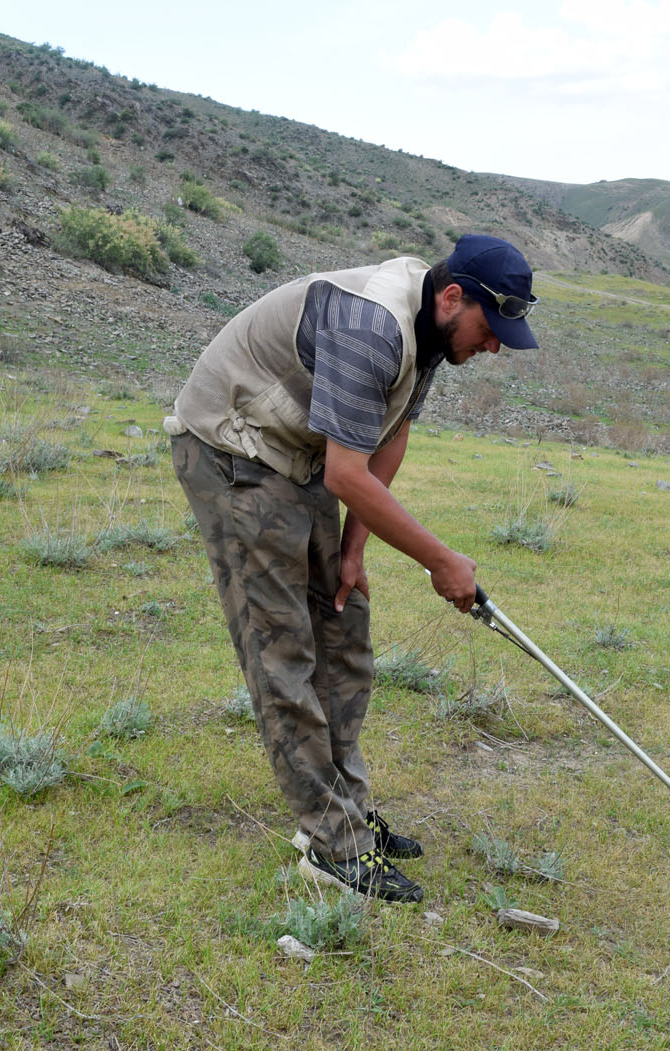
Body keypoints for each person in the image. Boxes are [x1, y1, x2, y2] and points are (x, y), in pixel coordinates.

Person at [166, 234, 539, 903]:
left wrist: (356, 547)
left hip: (296, 454)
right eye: (491, 329)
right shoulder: (375, 326)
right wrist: (441, 561)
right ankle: (331, 846)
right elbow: (346, 470)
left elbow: (386, 437)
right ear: (454, 297)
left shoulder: (430, 334)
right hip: (233, 447)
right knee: (283, 646)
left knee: (344, 625)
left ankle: (346, 813)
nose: (494, 347)